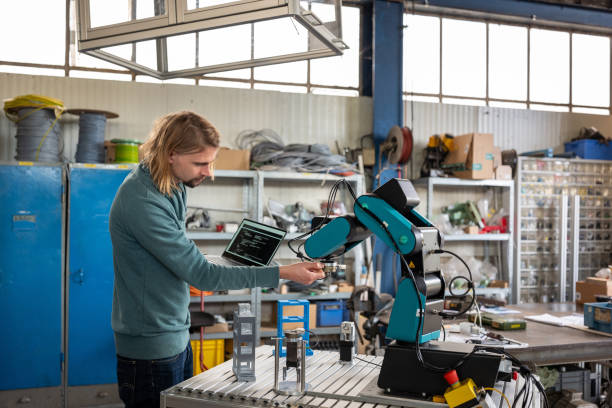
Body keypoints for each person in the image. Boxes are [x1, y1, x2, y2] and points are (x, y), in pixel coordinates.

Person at [109, 111, 325, 408]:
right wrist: (284, 272)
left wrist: (244, 263)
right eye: (201, 163)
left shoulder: (169, 186)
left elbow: (190, 261)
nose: (209, 172)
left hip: (172, 335)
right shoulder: (144, 201)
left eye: (211, 162)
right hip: (151, 351)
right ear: (172, 154)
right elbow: (203, 275)